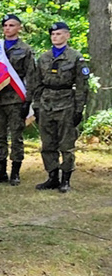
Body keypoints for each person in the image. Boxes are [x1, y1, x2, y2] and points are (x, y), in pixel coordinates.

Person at [30, 21, 88, 193]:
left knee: (66, 144)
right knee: (47, 143)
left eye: (59, 34)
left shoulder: (75, 57)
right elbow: (37, 84)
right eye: (53, 34)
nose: (55, 37)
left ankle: (66, 179)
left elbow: (82, 86)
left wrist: (79, 110)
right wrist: (37, 105)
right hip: (47, 103)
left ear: (67, 35)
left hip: (66, 104)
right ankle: (52, 177)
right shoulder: (44, 58)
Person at [0, 14, 34, 185]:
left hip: (16, 99)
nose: (7, 28)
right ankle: (0, 170)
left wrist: (28, 102)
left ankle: (15, 172)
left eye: (11, 25)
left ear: (19, 28)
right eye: (5, 25)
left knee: (16, 136)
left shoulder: (26, 50)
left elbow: (31, 76)